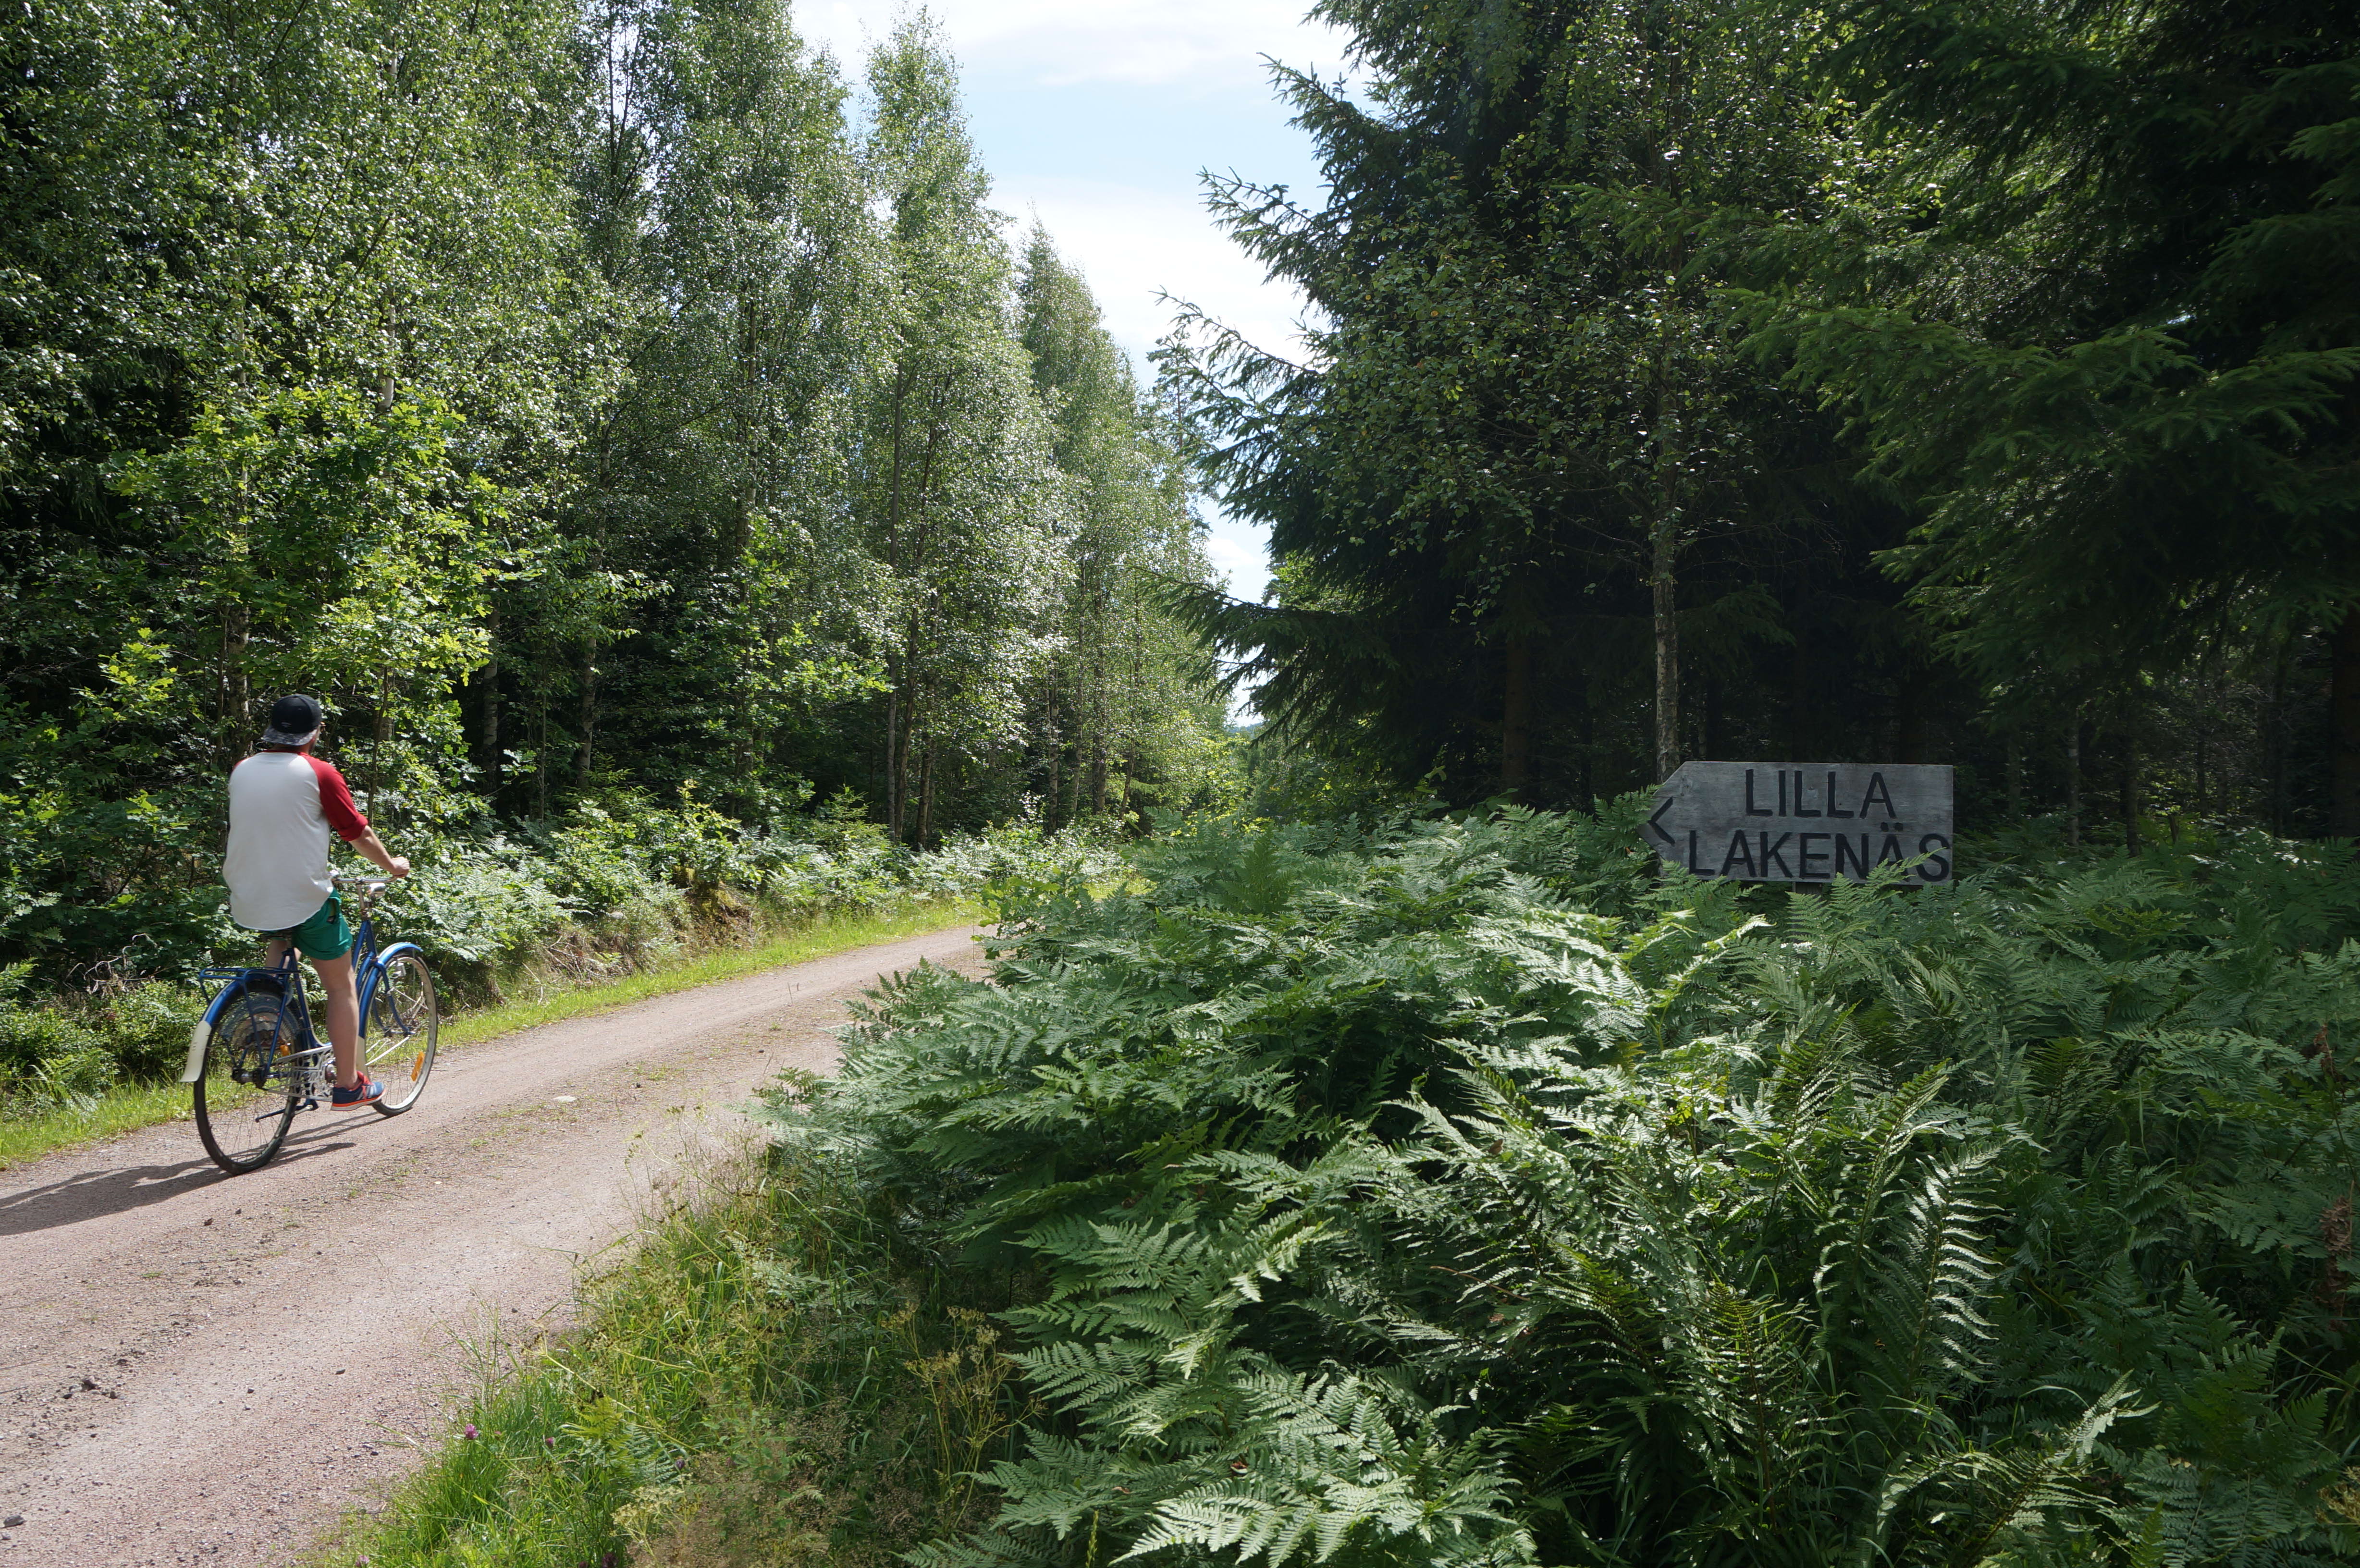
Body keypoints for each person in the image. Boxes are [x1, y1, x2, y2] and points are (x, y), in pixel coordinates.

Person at [223, 694, 410, 1109]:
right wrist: (392, 864)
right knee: (341, 984)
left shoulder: (242, 770)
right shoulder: (319, 773)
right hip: (304, 898)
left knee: (282, 939)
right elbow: (357, 834)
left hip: (249, 895)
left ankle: (273, 1027)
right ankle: (348, 1084)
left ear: (271, 729)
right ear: (316, 732)